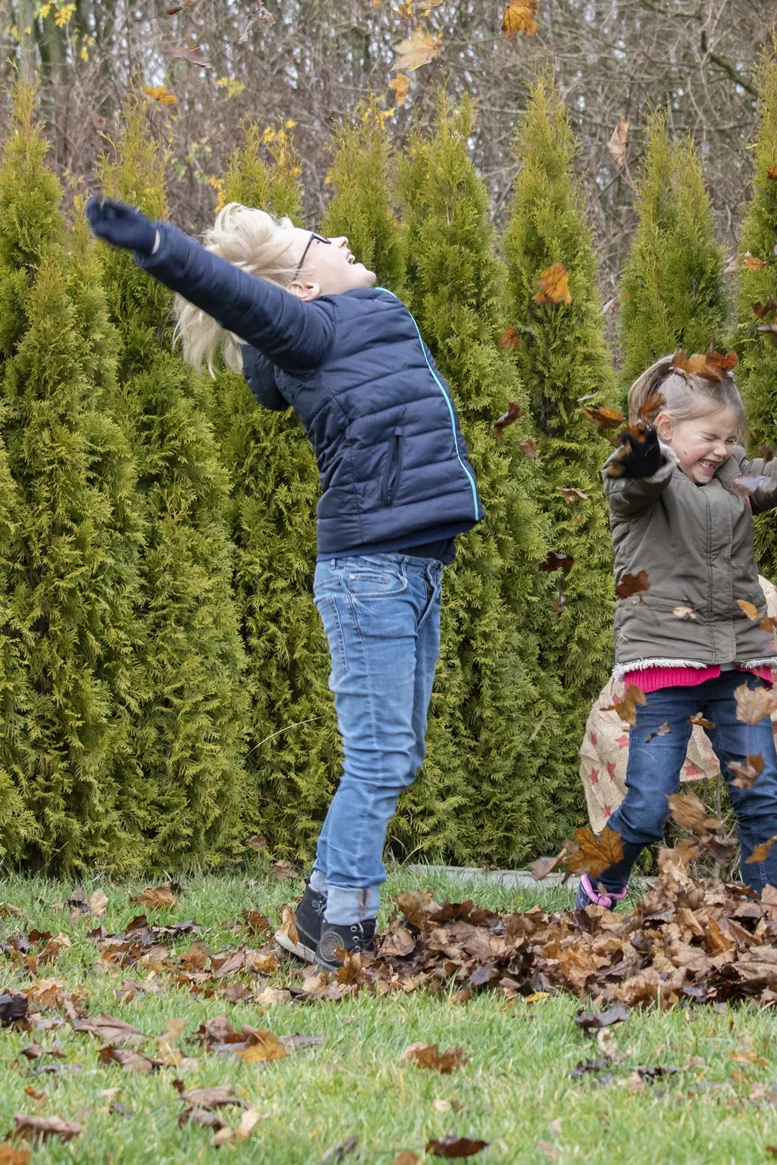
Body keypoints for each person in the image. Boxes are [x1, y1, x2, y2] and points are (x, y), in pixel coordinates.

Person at [86, 196, 483, 971]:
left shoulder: (354, 320)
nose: (340, 234)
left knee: (394, 759)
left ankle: (317, 916)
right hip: (372, 572)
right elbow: (236, 294)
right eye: (317, 242)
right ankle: (343, 927)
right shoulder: (314, 329)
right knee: (377, 758)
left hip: (413, 569)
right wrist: (162, 247)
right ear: (299, 291)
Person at [574, 355, 777, 912]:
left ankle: (770, 911)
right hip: (664, 667)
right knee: (649, 804)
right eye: (710, 437)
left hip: (740, 663)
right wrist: (642, 453)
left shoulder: (735, 479)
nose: (723, 451)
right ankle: (602, 877)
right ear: (665, 429)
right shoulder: (640, 485)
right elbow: (631, 483)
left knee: (760, 798)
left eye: (730, 439)